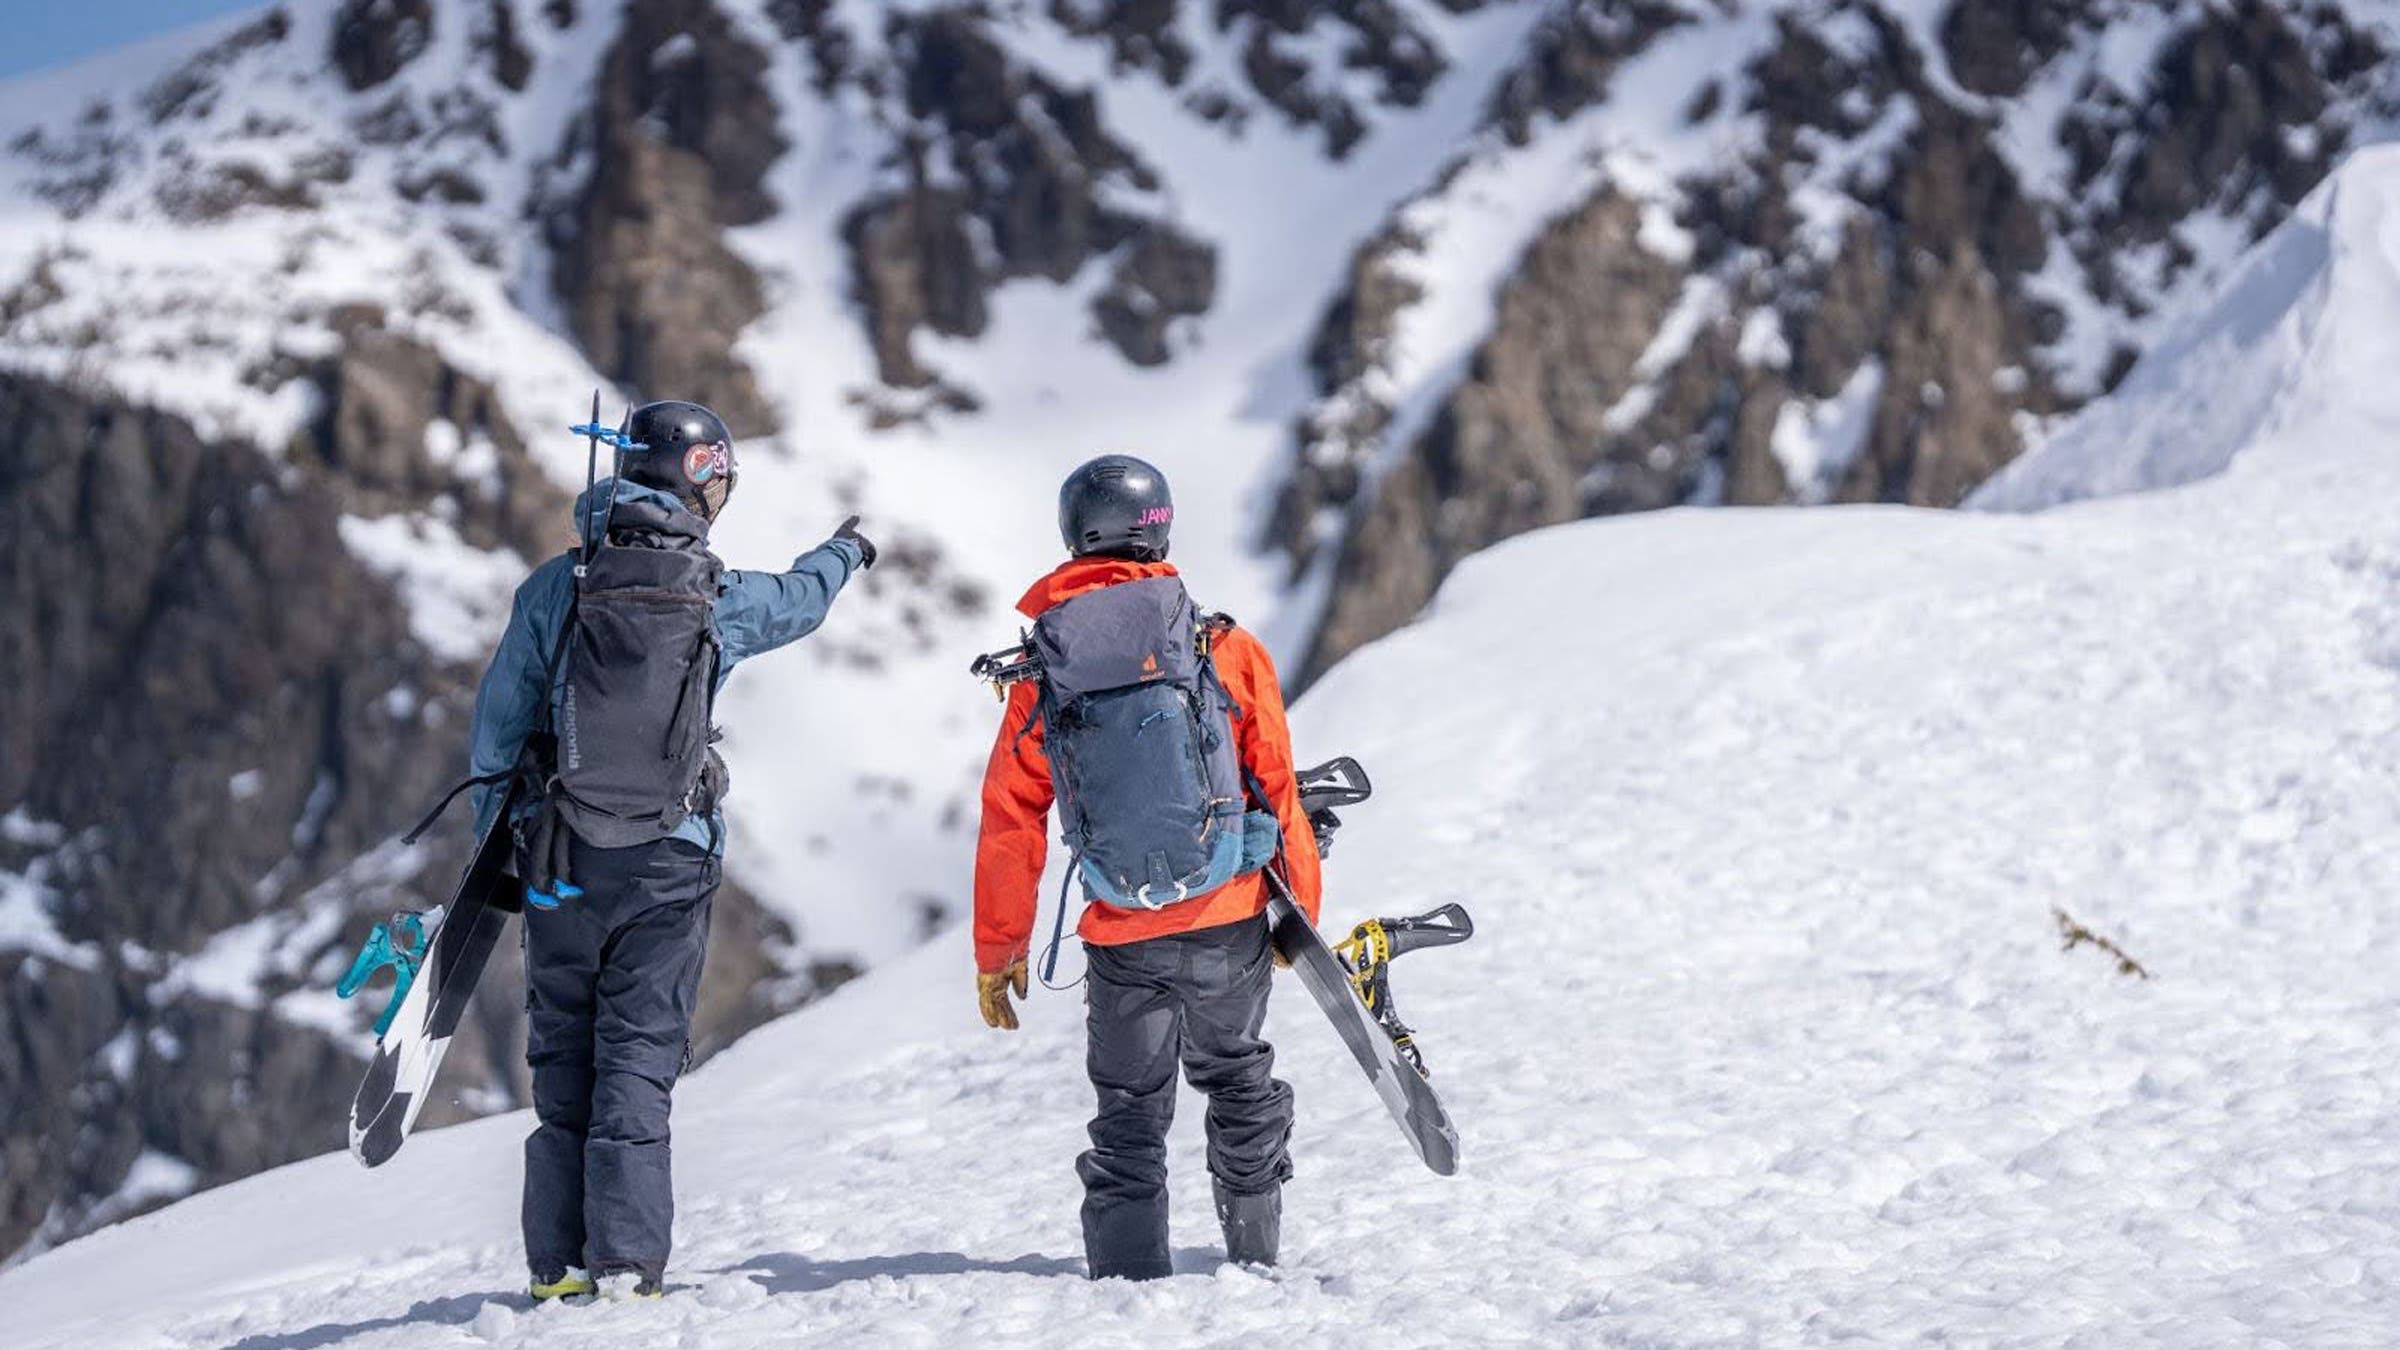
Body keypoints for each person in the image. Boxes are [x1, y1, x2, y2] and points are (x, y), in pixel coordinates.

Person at [467, 400, 874, 1301]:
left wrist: (498, 849)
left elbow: (497, 731)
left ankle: (557, 1271)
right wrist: (845, 552)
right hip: (671, 862)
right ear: (699, 481)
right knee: (640, 1062)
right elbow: (800, 602)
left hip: (560, 863)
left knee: (564, 1060)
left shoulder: (556, 587)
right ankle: (625, 1266)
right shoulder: (712, 594)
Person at [972, 454, 1323, 1280]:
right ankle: (1255, 1259)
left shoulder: (1042, 671)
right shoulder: (1223, 646)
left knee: (1128, 1112)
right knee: (1237, 1082)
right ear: (1159, 526)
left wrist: (999, 951)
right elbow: (1276, 780)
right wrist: (1297, 913)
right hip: (1227, 916)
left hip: (1119, 932)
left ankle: (1125, 1289)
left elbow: (1011, 816)